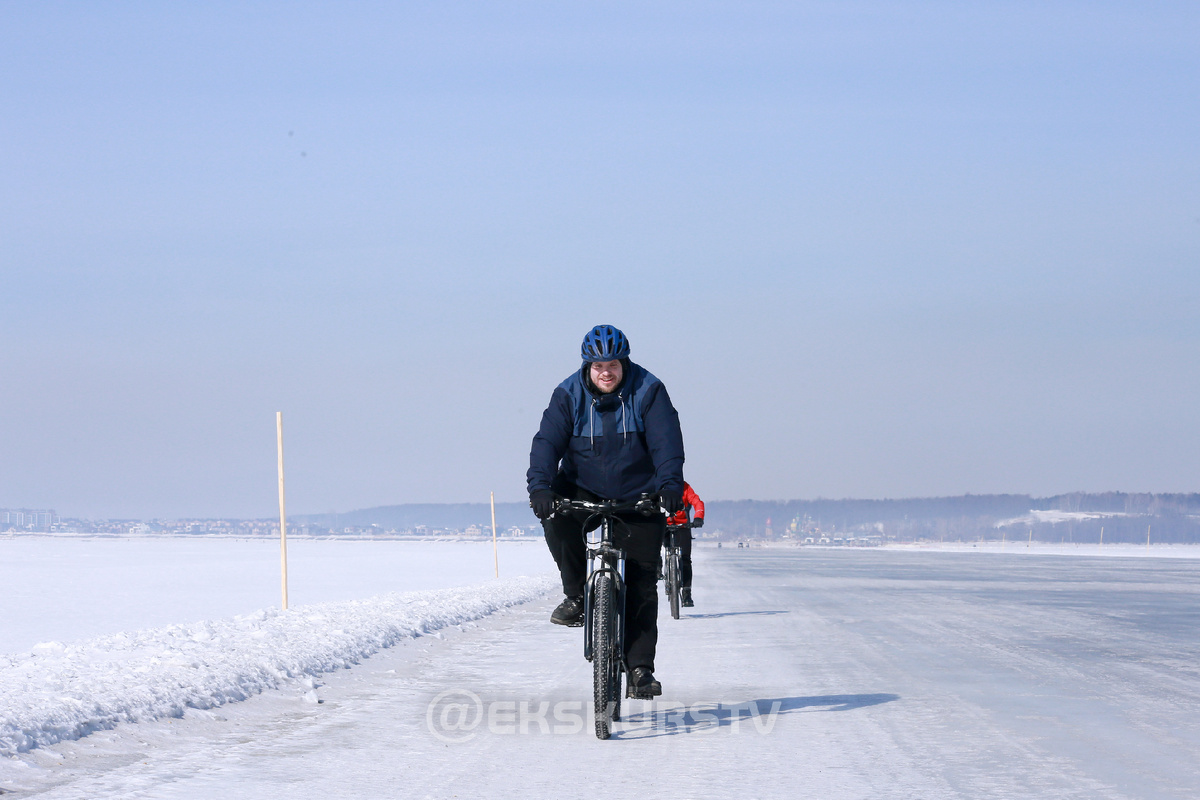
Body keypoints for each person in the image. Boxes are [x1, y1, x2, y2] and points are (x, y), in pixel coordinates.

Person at [528, 324, 685, 699]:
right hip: (583, 487)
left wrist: (670, 485)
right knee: (557, 517)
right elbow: (547, 442)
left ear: (623, 362)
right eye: (598, 366)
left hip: (639, 493)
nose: (606, 372)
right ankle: (577, 596)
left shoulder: (649, 390)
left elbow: (667, 441)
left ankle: (640, 670)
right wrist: (541, 487)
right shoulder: (567, 394)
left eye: (612, 364)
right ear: (587, 366)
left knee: (643, 581)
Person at [666, 481, 705, 607]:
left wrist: (698, 517)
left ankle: (687, 592)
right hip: (663, 525)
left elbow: (697, 502)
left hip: (683, 525)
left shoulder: (684, 487)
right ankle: (658, 566)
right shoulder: (658, 484)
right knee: (653, 550)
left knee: (685, 558)